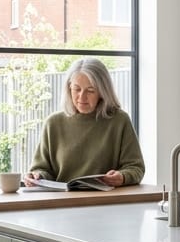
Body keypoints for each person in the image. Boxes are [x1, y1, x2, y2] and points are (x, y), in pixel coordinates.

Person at [23, 58, 145, 188]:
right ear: (69, 88)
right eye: (76, 89)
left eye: (90, 90)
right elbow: (42, 169)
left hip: (107, 202)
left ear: (103, 92)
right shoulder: (53, 123)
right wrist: (36, 177)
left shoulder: (119, 121)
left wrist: (122, 177)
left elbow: (136, 168)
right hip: (62, 201)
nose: (82, 97)